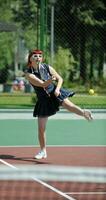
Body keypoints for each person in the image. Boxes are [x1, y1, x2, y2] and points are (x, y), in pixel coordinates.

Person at [25, 49, 93, 160]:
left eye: (40, 56)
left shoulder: (47, 67)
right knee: (41, 128)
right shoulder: (29, 73)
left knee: (70, 106)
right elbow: (42, 84)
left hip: (54, 92)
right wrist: (50, 80)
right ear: (30, 59)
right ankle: (43, 151)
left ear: (42, 59)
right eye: (35, 56)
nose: (38, 58)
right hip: (43, 100)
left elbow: (60, 78)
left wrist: (57, 88)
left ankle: (84, 113)